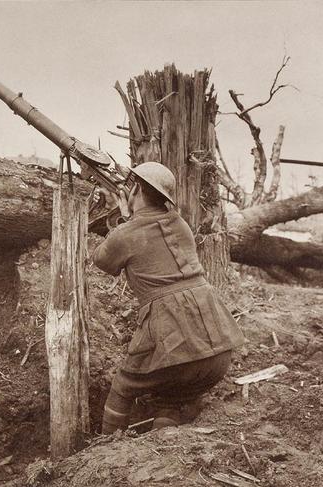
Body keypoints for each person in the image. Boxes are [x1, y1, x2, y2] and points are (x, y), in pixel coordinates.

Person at [92, 162, 245, 433]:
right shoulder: (181, 224)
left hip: (173, 334)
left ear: (135, 188)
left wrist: (125, 220)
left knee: (124, 385)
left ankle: (104, 449)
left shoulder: (125, 234)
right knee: (172, 396)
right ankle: (163, 436)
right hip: (217, 346)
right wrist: (131, 218)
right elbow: (150, 230)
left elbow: (102, 261)